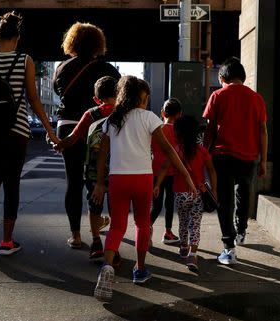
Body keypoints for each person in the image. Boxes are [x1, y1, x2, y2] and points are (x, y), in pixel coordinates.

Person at [91, 76, 197, 302]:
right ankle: (139, 269)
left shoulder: (112, 120)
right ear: (142, 97)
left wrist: (100, 183)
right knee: (141, 223)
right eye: (146, 97)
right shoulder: (149, 118)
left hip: (117, 179)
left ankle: (106, 267)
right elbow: (169, 150)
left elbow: (102, 154)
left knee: (117, 226)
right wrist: (186, 175)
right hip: (142, 179)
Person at [0, 11, 59, 255]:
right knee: (12, 182)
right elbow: (34, 99)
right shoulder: (24, 60)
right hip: (16, 129)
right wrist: (51, 132)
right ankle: (6, 241)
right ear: (16, 39)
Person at [53, 22, 121, 249]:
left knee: (72, 182)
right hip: (98, 127)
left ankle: (75, 235)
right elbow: (119, 97)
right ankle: (96, 228)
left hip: (68, 125)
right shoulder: (109, 70)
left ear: (71, 42)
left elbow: (58, 92)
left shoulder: (62, 68)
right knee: (96, 179)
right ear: (98, 44)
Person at [203, 57, 268, 265]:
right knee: (244, 192)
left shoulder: (217, 95)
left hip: (223, 157)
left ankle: (229, 247)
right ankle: (241, 231)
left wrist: (204, 154)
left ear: (222, 78)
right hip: (249, 158)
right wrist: (263, 161)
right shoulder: (257, 98)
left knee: (225, 201)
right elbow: (263, 131)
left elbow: (210, 129)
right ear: (244, 78)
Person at [53, 76, 117, 260]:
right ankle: (114, 245)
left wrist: (59, 144)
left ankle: (96, 241)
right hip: (117, 168)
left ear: (97, 99)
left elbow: (73, 137)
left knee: (93, 202)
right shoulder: (123, 113)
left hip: (92, 169)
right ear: (119, 94)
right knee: (115, 206)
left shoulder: (91, 114)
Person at [154, 115, 217, 272]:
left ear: (179, 134)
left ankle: (183, 247)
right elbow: (211, 170)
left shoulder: (175, 151)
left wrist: (157, 185)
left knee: (183, 221)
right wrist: (214, 190)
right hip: (198, 194)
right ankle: (193, 254)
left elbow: (163, 168)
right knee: (195, 224)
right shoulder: (202, 151)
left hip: (180, 194)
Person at [150, 98, 182, 245]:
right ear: (180, 115)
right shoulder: (178, 133)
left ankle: (147, 227)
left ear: (162, 112)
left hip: (155, 172)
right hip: (172, 172)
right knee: (170, 203)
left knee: (156, 205)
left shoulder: (156, 130)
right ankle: (168, 233)